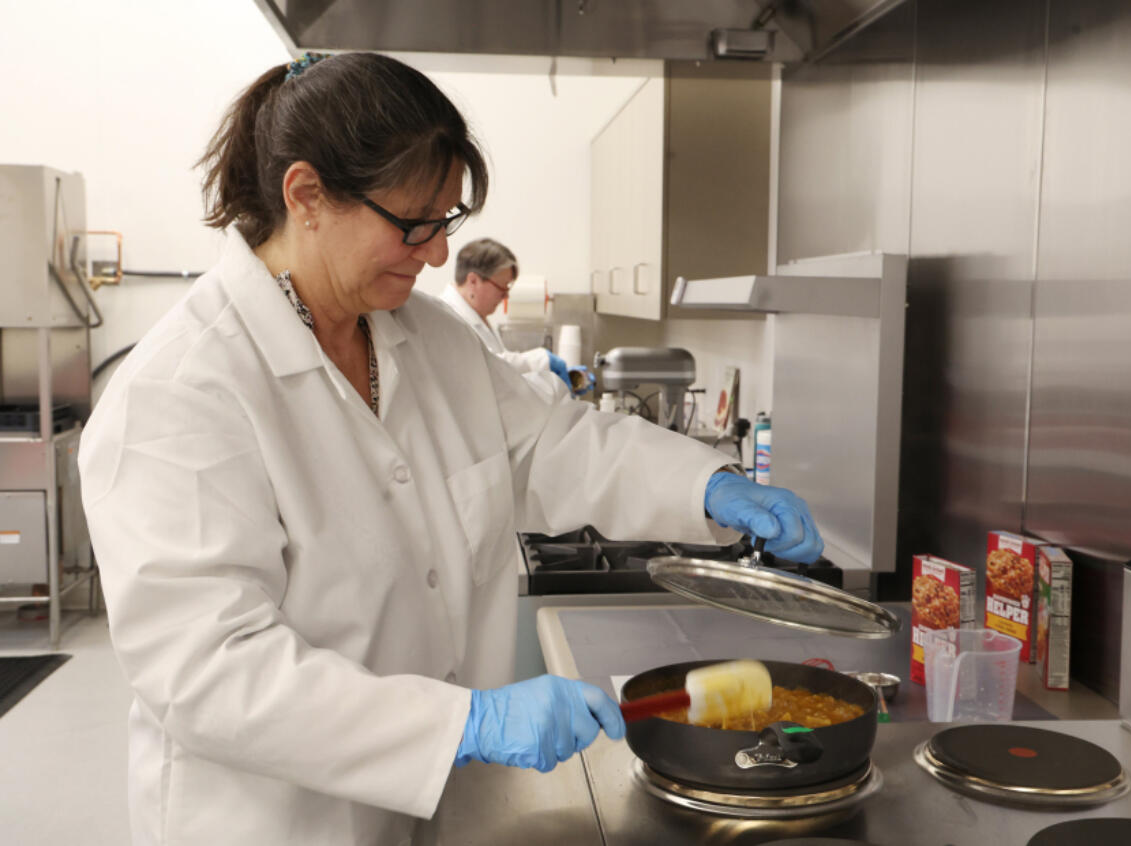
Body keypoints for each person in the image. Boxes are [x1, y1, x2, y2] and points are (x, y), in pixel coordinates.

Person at [78, 51, 823, 846]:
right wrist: (462, 723)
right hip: (274, 824)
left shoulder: (425, 339)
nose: (436, 254)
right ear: (307, 196)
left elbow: (549, 443)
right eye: (413, 223)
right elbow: (210, 674)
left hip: (428, 812)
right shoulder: (182, 392)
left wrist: (707, 485)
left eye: (446, 220)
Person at [439, 237, 574, 397]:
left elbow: (501, 372)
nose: (506, 296)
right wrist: (541, 360)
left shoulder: (476, 314)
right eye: (501, 287)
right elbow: (486, 365)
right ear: (473, 280)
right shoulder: (447, 318)